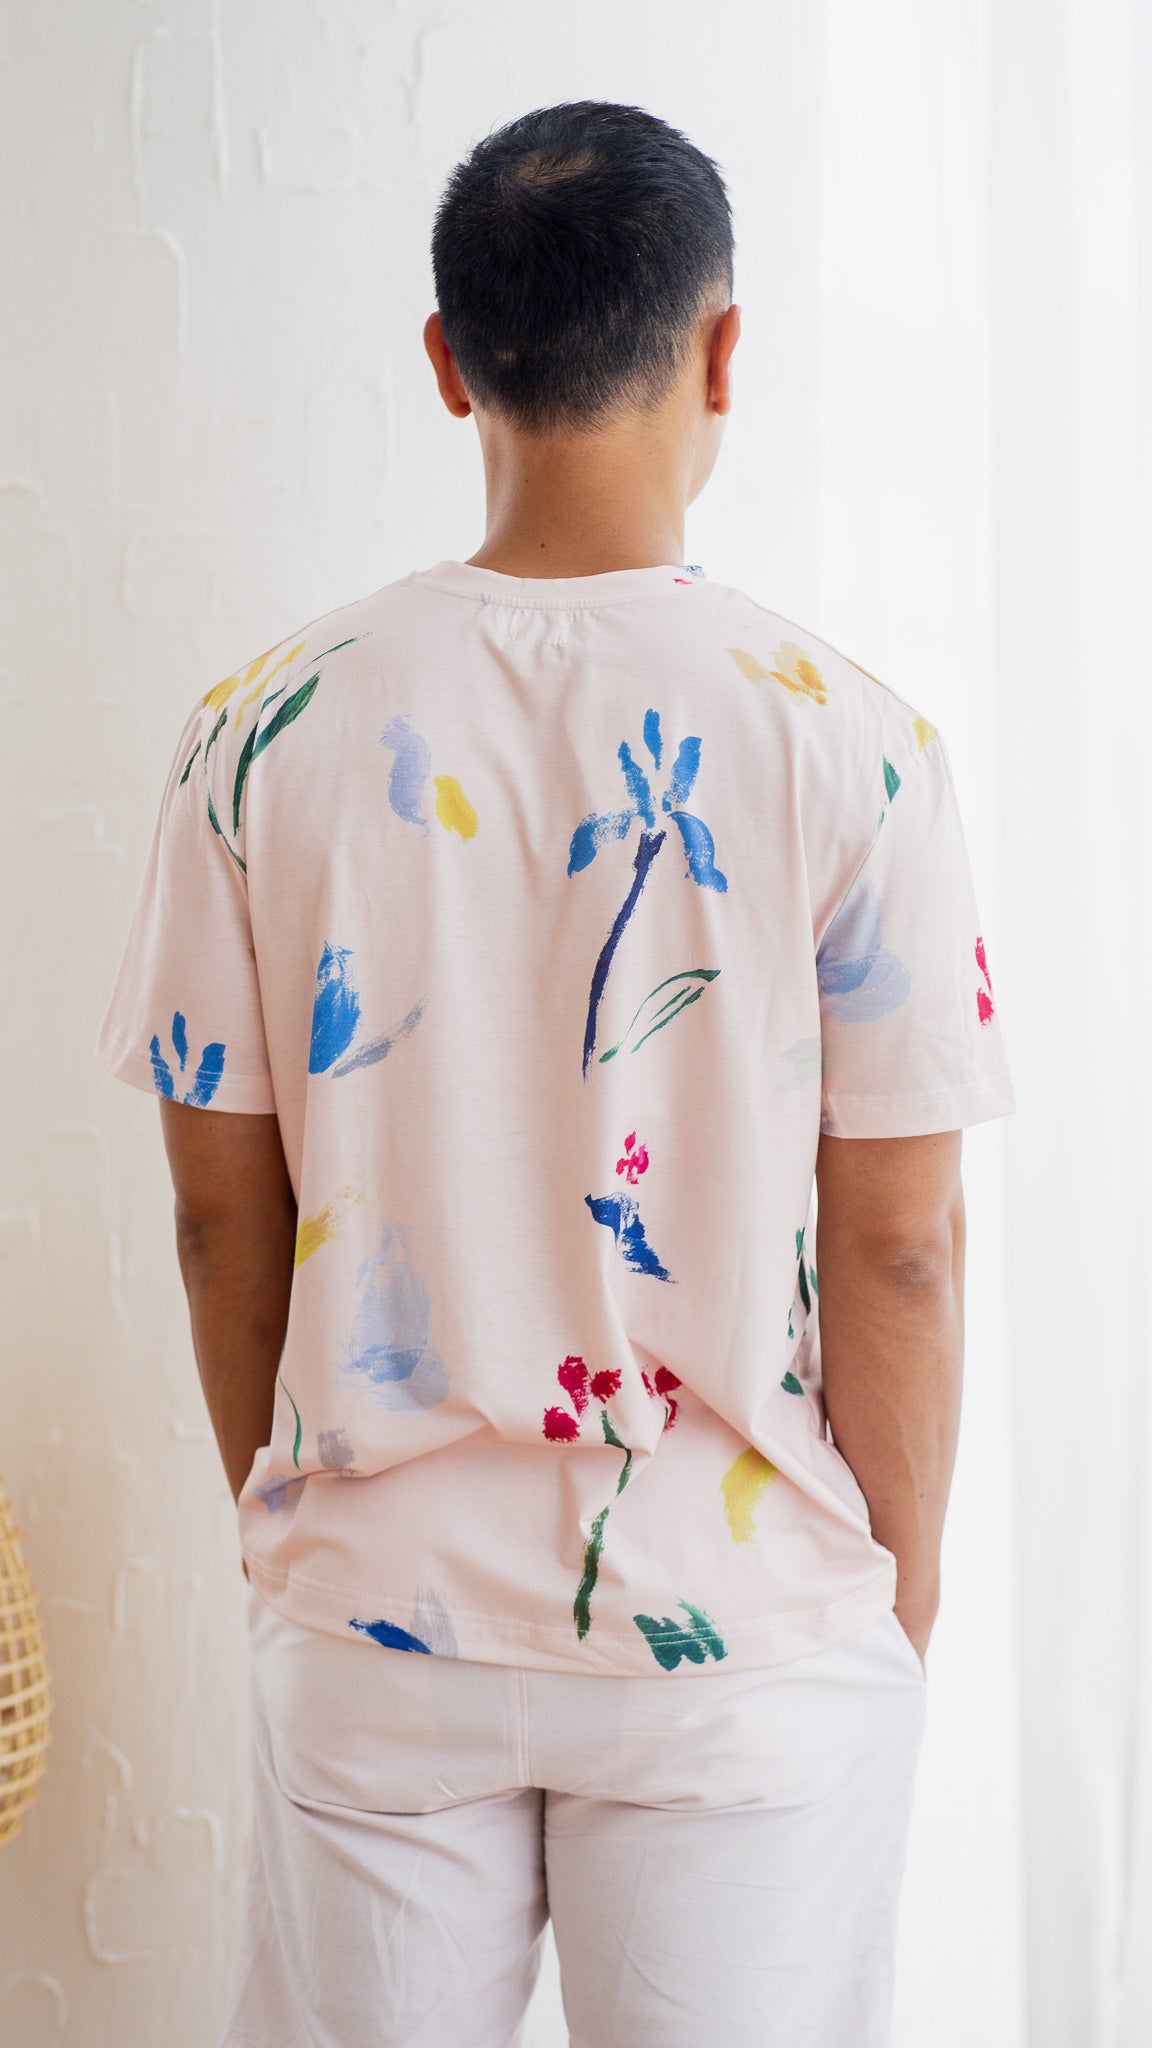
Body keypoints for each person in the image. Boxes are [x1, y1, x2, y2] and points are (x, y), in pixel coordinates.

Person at [95, 98, 1016, 2048]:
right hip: (740, 1635)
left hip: (376, 1621)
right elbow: (904, 1245)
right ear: (724, 350)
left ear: (450, 362)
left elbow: (215, 1216)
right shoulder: (854, 741)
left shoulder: (260, 730)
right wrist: (896, 1602)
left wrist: (300, 1525)